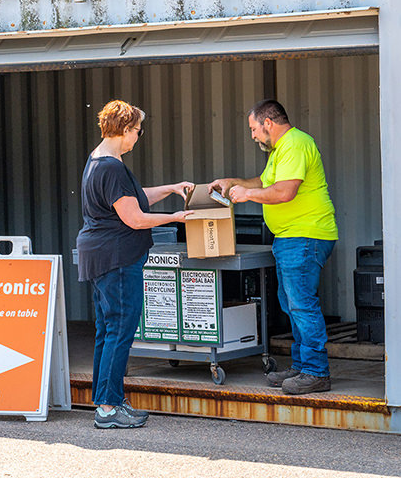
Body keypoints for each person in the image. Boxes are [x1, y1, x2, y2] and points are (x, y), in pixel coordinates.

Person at [76, 100, 193, 428]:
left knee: (107, 330)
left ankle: (105, 401)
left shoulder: (98, 160)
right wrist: (175, 217)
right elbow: (134, 217)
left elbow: (132, 197)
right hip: (117, 257)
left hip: (101, 256)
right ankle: (109, 409)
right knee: (120, 330)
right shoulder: (111, 166)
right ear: (126, 129)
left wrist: (170, 189)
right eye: (138, 131)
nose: (138, 137)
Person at [208, 99, 338, 395]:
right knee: (290, 303)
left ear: (268, 123)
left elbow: (284, 191)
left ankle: (317, 372)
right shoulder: (281, 150)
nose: (253, 136)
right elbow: (266, 181)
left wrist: (248, 194)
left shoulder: (294, 144)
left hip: (305, 235)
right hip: (290, 237)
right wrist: (234, 183)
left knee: (302, 304)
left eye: (254, 129)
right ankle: (303, 365)